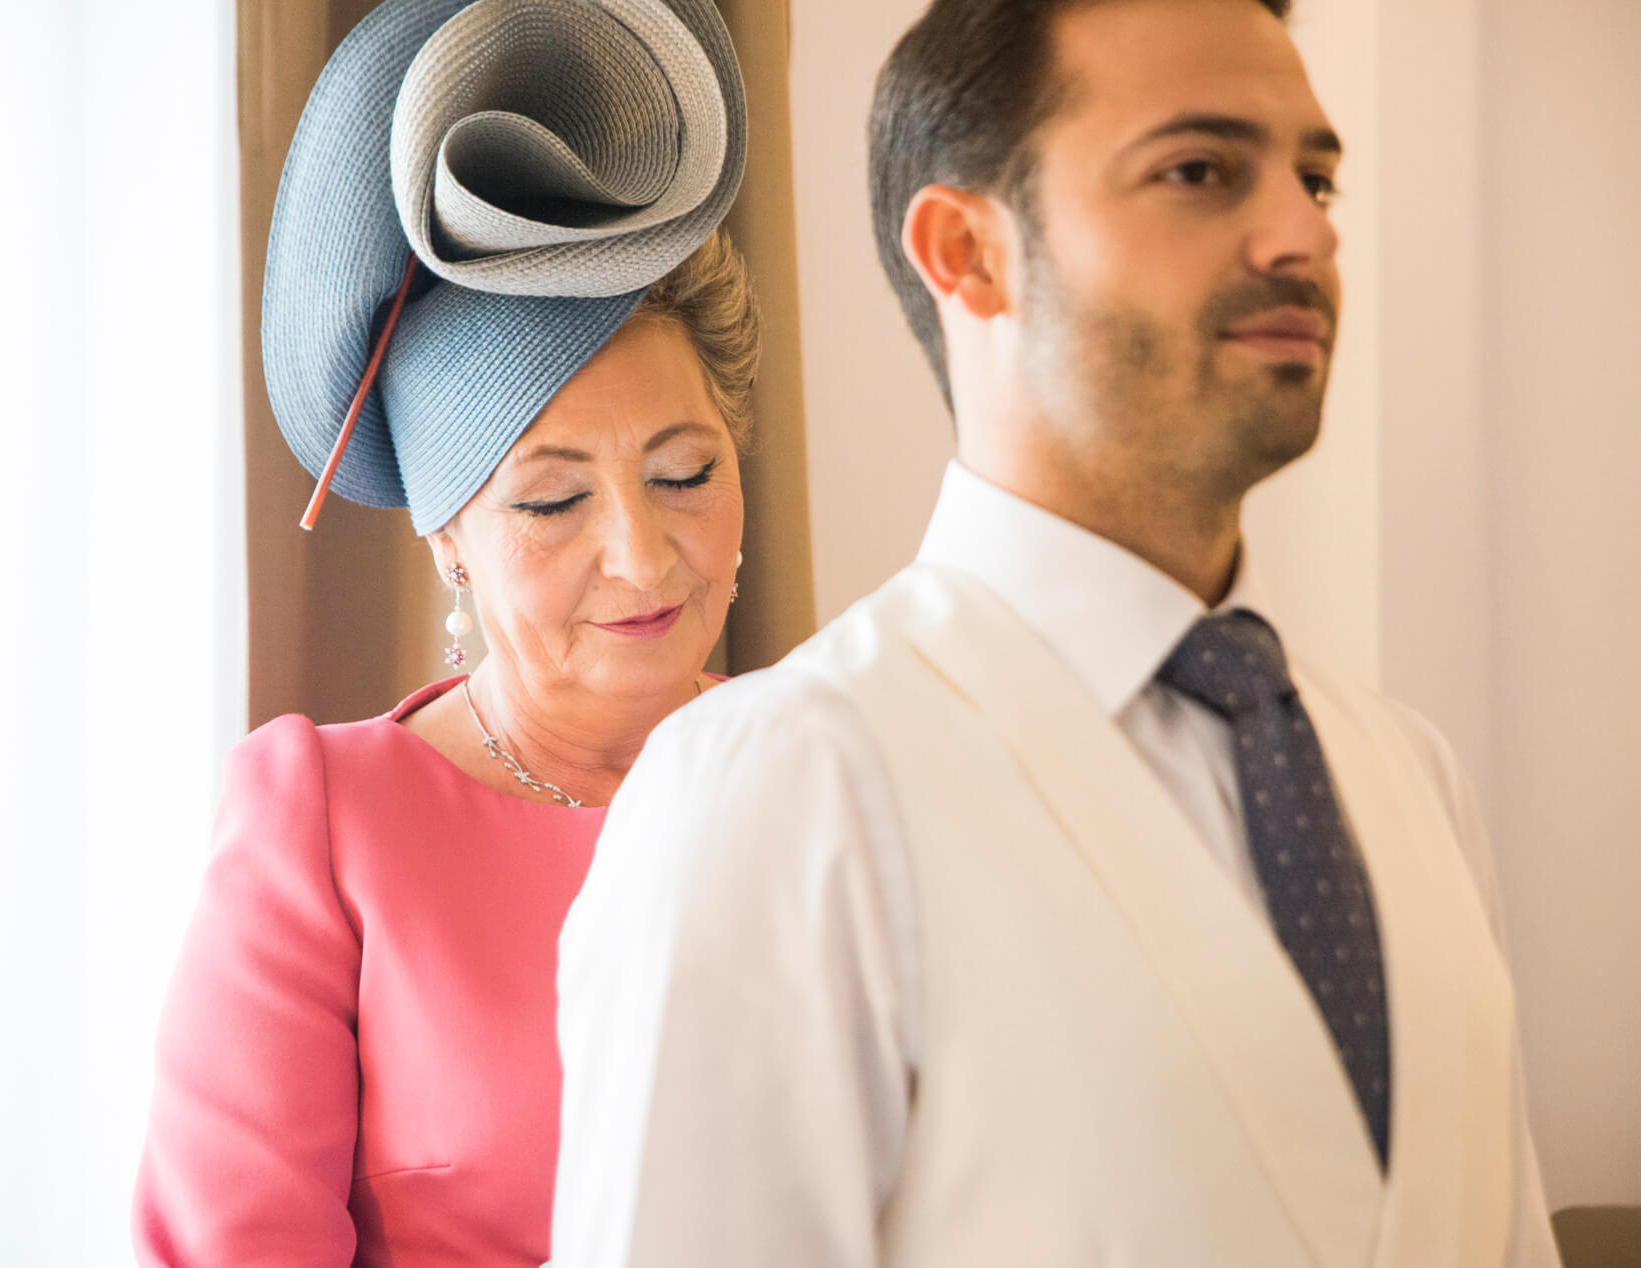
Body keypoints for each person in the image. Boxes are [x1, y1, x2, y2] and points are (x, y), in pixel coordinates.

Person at [548, 0, 1562, 1265]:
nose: (1306, 231)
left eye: (1315, 176)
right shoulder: (785, 785)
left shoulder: (1413, 782)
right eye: (1198, 170)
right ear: (968, 251)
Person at [132, 0, 753, 1263]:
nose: (641, 554)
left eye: (685, 472)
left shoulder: (835, 770)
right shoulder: (324, 822)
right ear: (449, 538)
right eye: (553, 498)